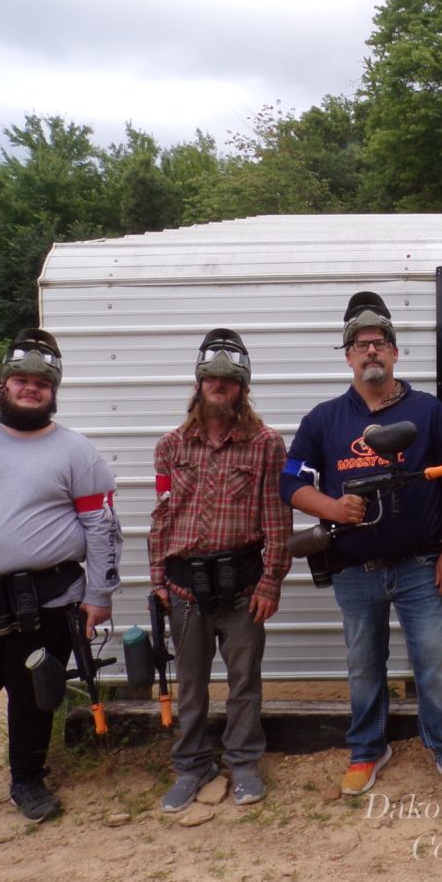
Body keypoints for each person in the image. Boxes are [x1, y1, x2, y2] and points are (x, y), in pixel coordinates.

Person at [281, 292, 442, 801]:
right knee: (364, 667)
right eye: (361, 344)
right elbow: (290, 482)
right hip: (353, 568)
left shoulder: (428, 411)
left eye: (380, 343)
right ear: (348, 356)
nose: (371, 351)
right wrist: (332, 508)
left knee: (435, 662)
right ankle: (367, 749)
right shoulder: (323, 419)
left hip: (420, 565)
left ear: (395, 353)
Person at [0, 329, 121, 833]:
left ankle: (27, 779)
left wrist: (99, 594)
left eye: (41, 384)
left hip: (44, 599)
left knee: (33, 693)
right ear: (4, 384)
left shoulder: (75, 451)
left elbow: (102, 527)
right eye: (21, 380)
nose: (30, 389)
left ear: (53, 392)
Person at [149, 329, 292, 812]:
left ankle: (244, 763)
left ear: (243, 388)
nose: (219, 386)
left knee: (244, 681)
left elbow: (278, 518)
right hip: (184, 588)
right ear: (198, 384)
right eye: (211, 379)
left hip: (243, 586)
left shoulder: (266, 445)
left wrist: (271, 581)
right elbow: (162, 515)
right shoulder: (170, 446)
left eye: (229, 382)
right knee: (190, 685)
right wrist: (158, 578)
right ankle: (192, 765)